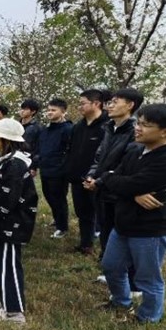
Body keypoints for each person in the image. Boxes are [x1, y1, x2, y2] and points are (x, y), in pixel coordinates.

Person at [98, 104, 166, 323]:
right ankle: (120, 300)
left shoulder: (164, 159)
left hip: (149, 229)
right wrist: (132, 192)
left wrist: (118, 183)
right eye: (138, 123)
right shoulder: (135, 151)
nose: (138, 128)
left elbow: (130, 183)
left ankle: (148, 317)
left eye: (145, 125)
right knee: (111, 266)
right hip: (123, 223)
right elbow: (111, 177)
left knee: (148, 277)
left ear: (165, 131)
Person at [0, 118, 38, 324]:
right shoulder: (6, 162)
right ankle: (7, 301)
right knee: (1, 264)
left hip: (11, 224)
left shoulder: (15, 165)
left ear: (6, 140)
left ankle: (14, 312)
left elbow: (6, 199)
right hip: (0, 223)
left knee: (8, 266)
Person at [84, 88, 143, 262]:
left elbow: (125, 165)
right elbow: (99, 157)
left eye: (115, 102)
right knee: (105, 227)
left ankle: (120, 267)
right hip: (102, 189)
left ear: (130, 105)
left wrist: (100, 181)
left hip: (118, 191)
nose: (109, 106)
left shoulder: (135, 132)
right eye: (109, 102)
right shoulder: (109, 128)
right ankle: (107, 263)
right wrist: (91, 176)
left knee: (118, 232)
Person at [65, 89, 110, 255]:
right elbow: (71, 150)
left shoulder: (107, 126)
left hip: (97, 180)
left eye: (83, 103)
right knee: (83, 213)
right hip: (78, 178)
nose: (80, 107)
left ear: (96, 103)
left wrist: (97, 177)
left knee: (103, 216)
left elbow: (107, 156)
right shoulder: (78, 126)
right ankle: (86, 244)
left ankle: (107, 251)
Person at [38, 99, 73, 238]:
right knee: (48, 196)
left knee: (59, 198)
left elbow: (70, 150)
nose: (50, 112)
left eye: (53, 110)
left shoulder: (68, 129)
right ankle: (57, 219)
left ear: (63, 112)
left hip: (59, 171)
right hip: (45, 168)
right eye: (48, 110)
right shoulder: (46, 130)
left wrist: (63, 166)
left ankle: (62, 227)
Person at [19, 99, 43, 175]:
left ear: (33, 111)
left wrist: (34, 166)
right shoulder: (16, 126)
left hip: (28, 162)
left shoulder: (37, 128)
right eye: (22, 108)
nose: (22, 111)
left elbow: (38, 148)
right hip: (14, 160)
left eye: (26, 109)